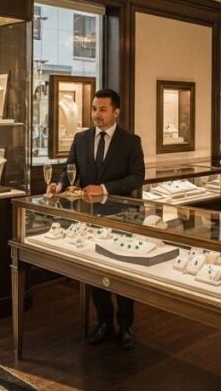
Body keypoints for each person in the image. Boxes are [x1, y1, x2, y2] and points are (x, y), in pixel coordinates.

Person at [46, 88, 145, 350]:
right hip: (89, 218)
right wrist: (58, 185)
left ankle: (126, 327)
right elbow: (69, 172)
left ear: (116, 112)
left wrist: (103, 188)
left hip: (123, 217)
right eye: (93, 109)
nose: (96, 114)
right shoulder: (80, 139)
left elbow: (137, 178)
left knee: (122, 275)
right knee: (95, 273)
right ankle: (104, 322)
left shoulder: (131, 141)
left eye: (102, 109)